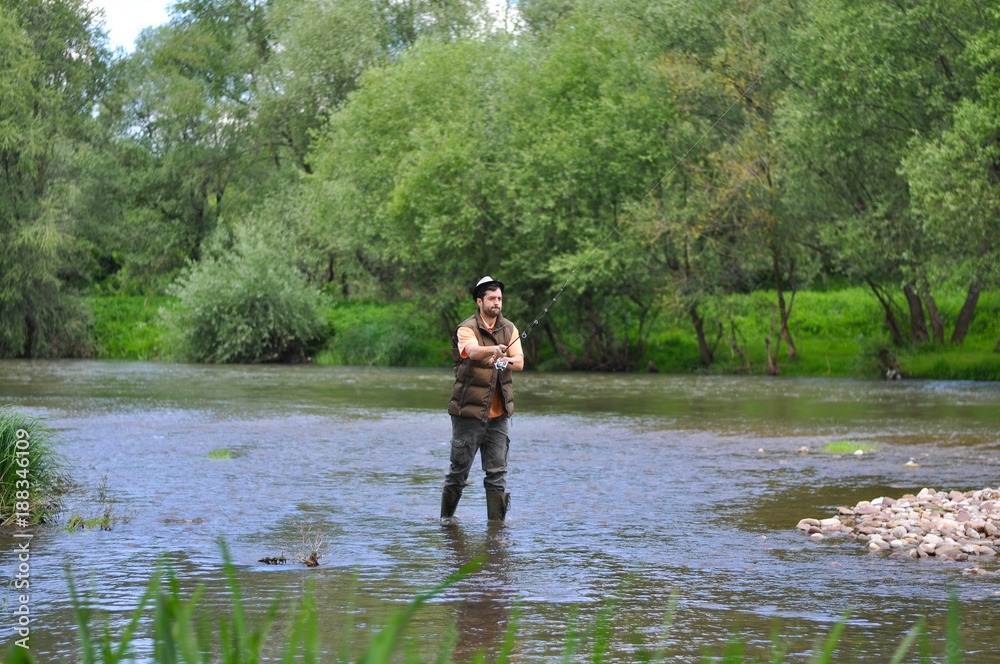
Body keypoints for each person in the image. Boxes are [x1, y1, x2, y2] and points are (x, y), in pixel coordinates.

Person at [440, 276, 524, 525]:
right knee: (459, 473)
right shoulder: (466, 328)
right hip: (468, 414)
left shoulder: (510, 328)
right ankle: (446, 522)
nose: (497, 302)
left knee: (497, 475)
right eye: (491, 298)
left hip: (499, 417)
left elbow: (518, 362)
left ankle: (496, 529)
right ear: (480, 301)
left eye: (499, 298)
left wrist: (502, 359)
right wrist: (494, 349)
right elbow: (473, 351)